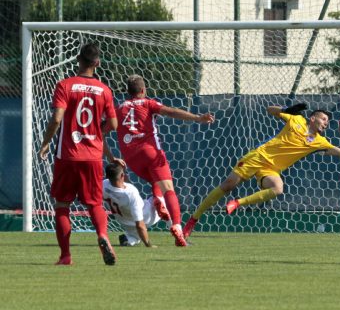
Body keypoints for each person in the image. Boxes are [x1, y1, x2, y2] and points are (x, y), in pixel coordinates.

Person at [183, 104, 340, 238]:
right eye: (324, 119)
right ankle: (193, 219)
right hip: (259, 156)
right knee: (227, 186)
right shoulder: (296, 119)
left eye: (327, 121)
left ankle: (237, 203)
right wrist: (285, 110)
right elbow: (270, 109)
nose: (326, 123)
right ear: (313, 118)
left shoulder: (321, 142)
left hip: (270, 169)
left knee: (278, 188)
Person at [38, 43, 118, 266]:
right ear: (97, 63)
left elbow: (56, 119)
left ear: (78, 60)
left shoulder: (65, 85)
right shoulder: (105, 90)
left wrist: (46, 143)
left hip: (68, 156)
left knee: (63, 204)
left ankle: (65, 256)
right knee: (95, 204)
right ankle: (102, 234)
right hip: (92, 156)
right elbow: (113, 123)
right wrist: (94, 133)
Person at [112, 75, 215, 247]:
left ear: (127, 91)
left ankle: (157, 198)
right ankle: (177, 228)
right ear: (143, 90)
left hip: (131, 158)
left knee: (156, 181)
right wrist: (198, 118)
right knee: (169, 189)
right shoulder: (148, 103)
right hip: (150, 152)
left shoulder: (119, 109)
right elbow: (171, 111)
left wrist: (110, 156)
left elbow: (103, 129)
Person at [103, 163, 170, 247]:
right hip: (146, 216)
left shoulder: (103, 185)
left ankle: (129, 239)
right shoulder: (130, 192)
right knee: (169, 199)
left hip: (125, 222)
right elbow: (140, 224)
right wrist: (148, 245)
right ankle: (178, 234)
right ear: (122, 175)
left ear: (107, 176)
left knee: (135, 237)